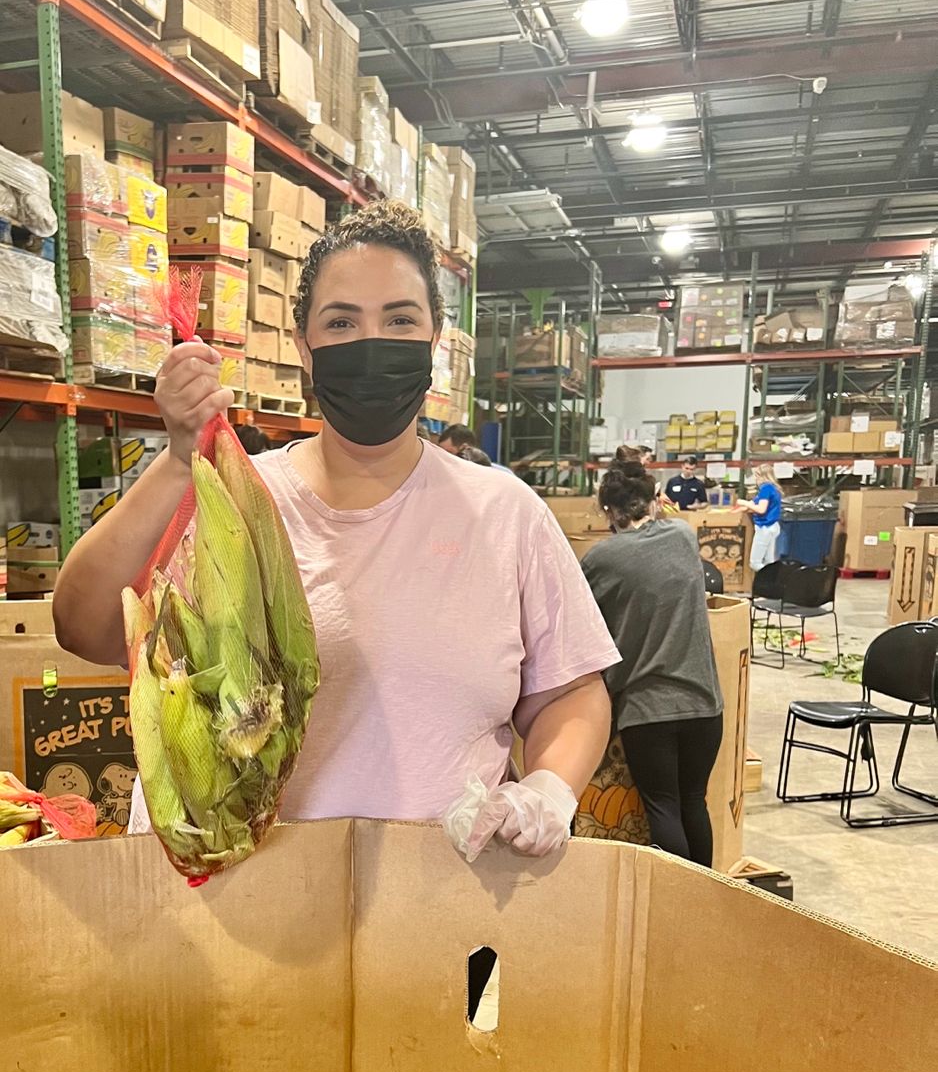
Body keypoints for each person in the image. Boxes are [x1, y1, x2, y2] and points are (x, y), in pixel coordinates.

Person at [53, 200, 618, 865]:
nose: (371, 344)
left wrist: (549, 787)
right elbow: (84, 626)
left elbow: (571, 691)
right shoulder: (232, 500)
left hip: (441, 900)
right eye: (342, 322)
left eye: (400, 320)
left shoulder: (506, 514)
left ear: (434, 338)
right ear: (304, 346)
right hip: (238, 898)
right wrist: (181, 457)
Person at [581, 464, 723, 867]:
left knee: (663, 807)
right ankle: (707, 895)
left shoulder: (601, 558)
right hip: (704, 704)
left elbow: (580, 622)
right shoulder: (683, 536)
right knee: (694, 801)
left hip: (647, 709)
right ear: (655, 499)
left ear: (608, 510)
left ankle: (671, 896)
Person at [740, 463, 783, 570]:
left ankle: (767, 578)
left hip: (765, 527)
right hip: (773, 526)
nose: (756, 479)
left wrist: (744, 503)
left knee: (755, 563)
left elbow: (761, 509)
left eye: (757, 476)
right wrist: (747, 507)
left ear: (762, 476)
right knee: (769, 562)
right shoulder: (773, 488)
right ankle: (772, 578)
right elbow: (758, 505)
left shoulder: (765, 489)